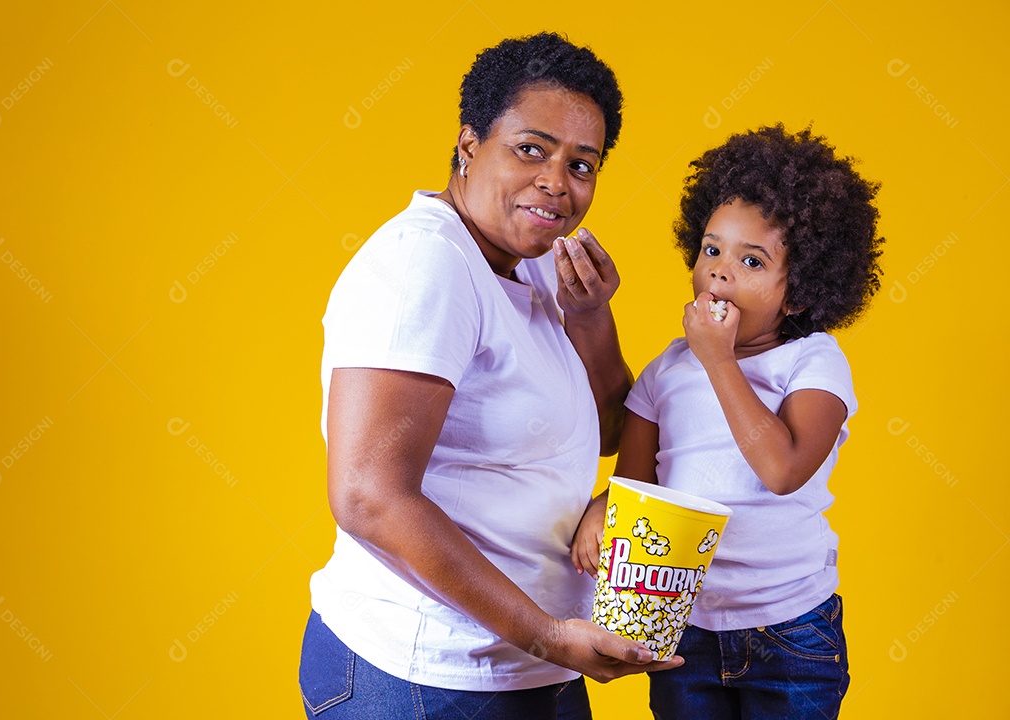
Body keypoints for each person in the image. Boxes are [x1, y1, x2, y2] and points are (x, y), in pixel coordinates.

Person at [299, 32, 681, 720]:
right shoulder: (427, 267)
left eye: (582, 164)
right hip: (426, 677)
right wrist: (550, 636)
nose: (557, 183)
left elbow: (611, 430)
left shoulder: (528, 263)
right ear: (469, 144)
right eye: (530, 149)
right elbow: (367, 495)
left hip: (529, 670)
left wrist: (591, 317)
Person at [572, 124, 884, 719]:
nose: (719, 272)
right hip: (686, 628)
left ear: (797, 294)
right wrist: (601, 506)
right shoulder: (667, 369)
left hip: (790, 629)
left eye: (751, 261)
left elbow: (783, 469)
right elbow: (637, 485)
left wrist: (717, 356)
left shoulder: (812, 360)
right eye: (712, 250)